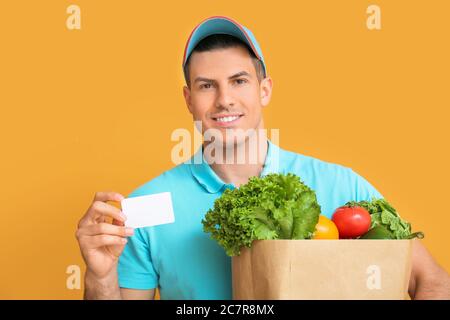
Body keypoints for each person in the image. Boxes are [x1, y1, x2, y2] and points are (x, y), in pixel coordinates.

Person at [76, 16, 450, 300]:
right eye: (207, 86)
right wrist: (99, 276)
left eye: (239, 81)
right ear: (189, 99)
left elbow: (429, 279)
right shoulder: (145, 209)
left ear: (264, 90)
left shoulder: (343, 186)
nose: (225, 100)